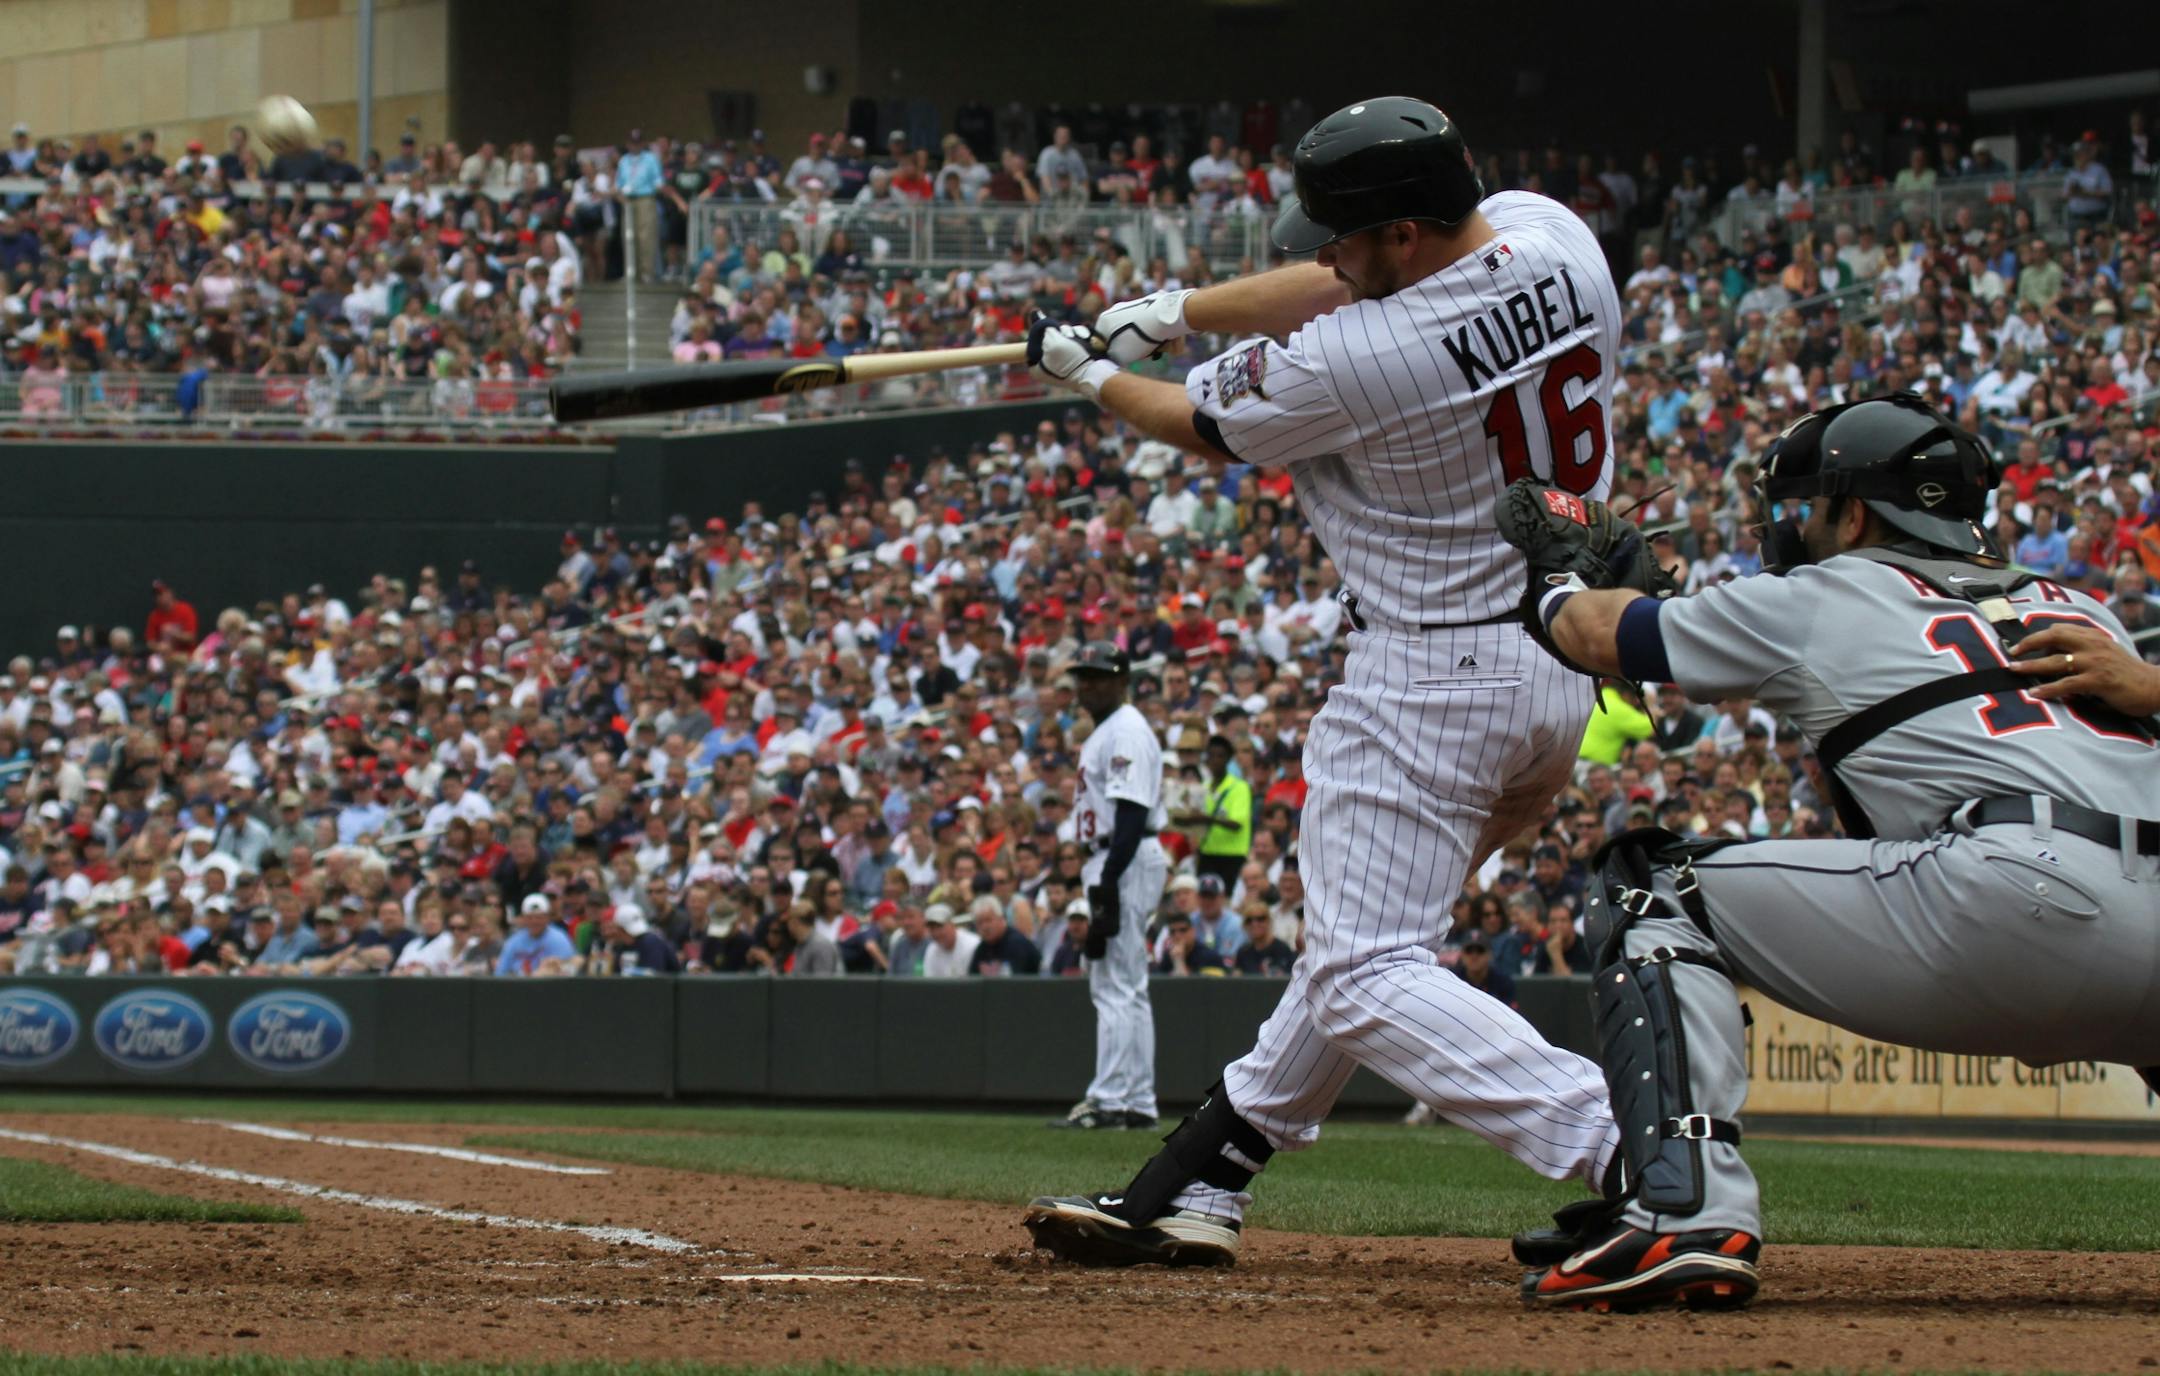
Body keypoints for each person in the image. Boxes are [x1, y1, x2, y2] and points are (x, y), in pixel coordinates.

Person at [1023, 97, 1623, 1269]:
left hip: (1430, 676)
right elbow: (1336, 284)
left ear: (1403, 230)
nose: (1328, 258)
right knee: (1364, 942)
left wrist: (1087, 372)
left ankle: (1634, 1147)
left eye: (1347, 237)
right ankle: (1202, 1177)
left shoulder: (1364, 354)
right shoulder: (1557, 238)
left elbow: (1190, 417)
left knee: (1361, 970)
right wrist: (1175, 310)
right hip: (1556, 660)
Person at [1510, 393, 2160, 1310]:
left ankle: (1681, 1203)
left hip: (2017, 895)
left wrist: (1555, 578)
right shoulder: (2086, 609)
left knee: (1653, 883)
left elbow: (1596, 635)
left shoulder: (1825, 593)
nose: (1797, 526)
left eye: (1811, 505)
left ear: (1854, 515)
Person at [1049, 642, 1169, 1130]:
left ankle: (1110, 1100)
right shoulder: (1111, 729)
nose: (1088, 685)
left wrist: (1109, 880)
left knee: (1114, 986)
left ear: (1122, 681)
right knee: (1128, 987)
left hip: (1122, 857)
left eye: (1098, 677)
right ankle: (1137, 1102)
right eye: (1083, 676)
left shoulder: (1125, 730)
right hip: (1120, 857)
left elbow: (1132, 813)